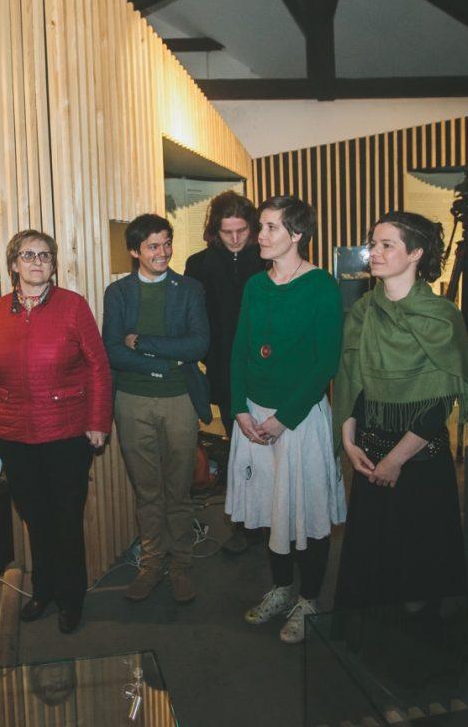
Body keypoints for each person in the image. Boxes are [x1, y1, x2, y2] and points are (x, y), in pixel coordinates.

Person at [333, 212, 468, 611]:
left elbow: (440, 401)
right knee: (372, 574)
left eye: (387, 245)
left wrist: (395, 460)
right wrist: (348, 440)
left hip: (419, 462)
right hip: (368, 456)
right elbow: (351, 380)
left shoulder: (441, 316)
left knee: (418, 578)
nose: (374, 253)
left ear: (415, 253)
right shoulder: (363, 310)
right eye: (373, 244)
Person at [0, 229, 111, 635]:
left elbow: (99, 367)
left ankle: (71, 597)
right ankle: (43, 590)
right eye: (28, 255)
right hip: (14, 437)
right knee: (34, 518)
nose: (37, 262)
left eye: (45, 255)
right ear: (14, 264)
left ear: (53, 264)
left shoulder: (73, 306)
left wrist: (98, 421)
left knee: (66, 519)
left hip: (66, 435)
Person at [226, 196, 345, 644]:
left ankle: (308, 599)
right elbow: (240, 349)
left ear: (297, 234)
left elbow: (325, 362)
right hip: (252, 416)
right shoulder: (256, 285)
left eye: (270, 227)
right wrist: (239, 407)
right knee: (269, 508)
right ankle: (280, 588)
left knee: (307, 510)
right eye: (261, 226)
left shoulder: (322, 286)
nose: (259, 235)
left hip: (299, 418)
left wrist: (284, 419)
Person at [103, 214, 211, 605]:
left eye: (166, 243)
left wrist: (144, 343)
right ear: (135, 251)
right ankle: (151, 564)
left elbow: (198, 345)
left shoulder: (190, 289)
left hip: (180, 400)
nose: (163, 252)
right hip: (132, 401)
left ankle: (181, 565)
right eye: (153, 246)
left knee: (178, 489)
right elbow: (112, 350)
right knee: (148, 491)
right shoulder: (118, 293)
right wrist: (163, 363)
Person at [184, 190, 263, 554]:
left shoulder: (268, 257)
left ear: (253, 227)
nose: (234, 239)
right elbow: (194, 322)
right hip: (224, 370)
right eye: (226, 231)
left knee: (274, 452)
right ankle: (245, 526)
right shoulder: (199, 264)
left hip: (266, 370)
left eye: (241, 231)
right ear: (214, 229)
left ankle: (277, 523)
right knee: (239, 451)